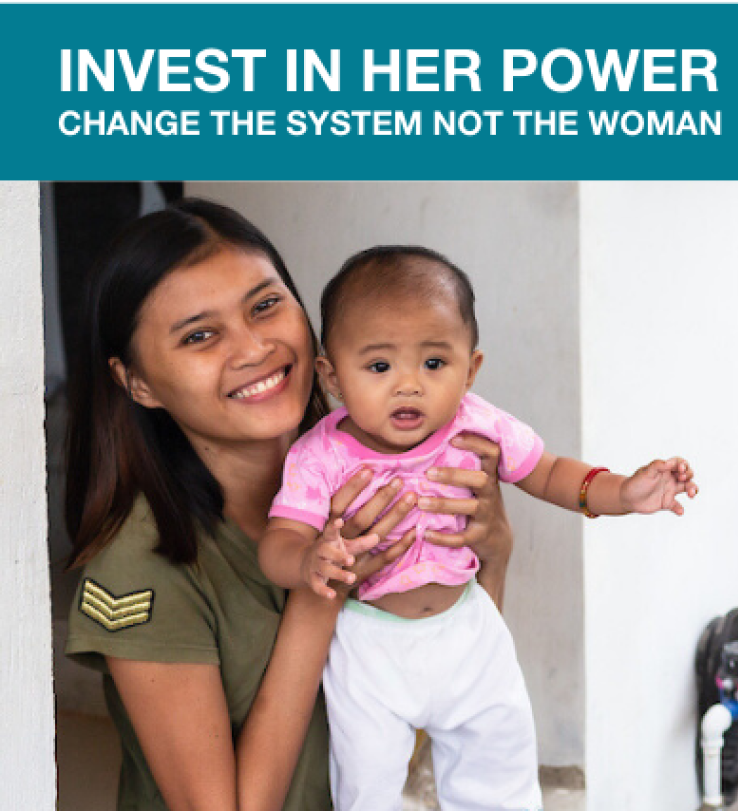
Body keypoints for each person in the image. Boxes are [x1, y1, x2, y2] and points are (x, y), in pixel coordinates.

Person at [63, 199, 516, 811]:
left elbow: (435, 706)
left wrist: (491, 554)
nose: (254, 348)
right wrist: (318, 591)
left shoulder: (381, 470)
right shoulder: (142, 568)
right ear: (135, 380)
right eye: (200, 335)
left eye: (266, 305)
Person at [258, 246, 699, 810]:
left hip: (468, 634)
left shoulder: (479, 426)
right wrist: (305, 560)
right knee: (366, 787)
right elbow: (279, 541)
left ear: (471, 369)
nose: (409, 385)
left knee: (501, 778)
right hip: (369, 646)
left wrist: (626, 492)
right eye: (379, 366)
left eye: (434, 364)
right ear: (332, 374)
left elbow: (552, 474)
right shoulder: (320, 456)